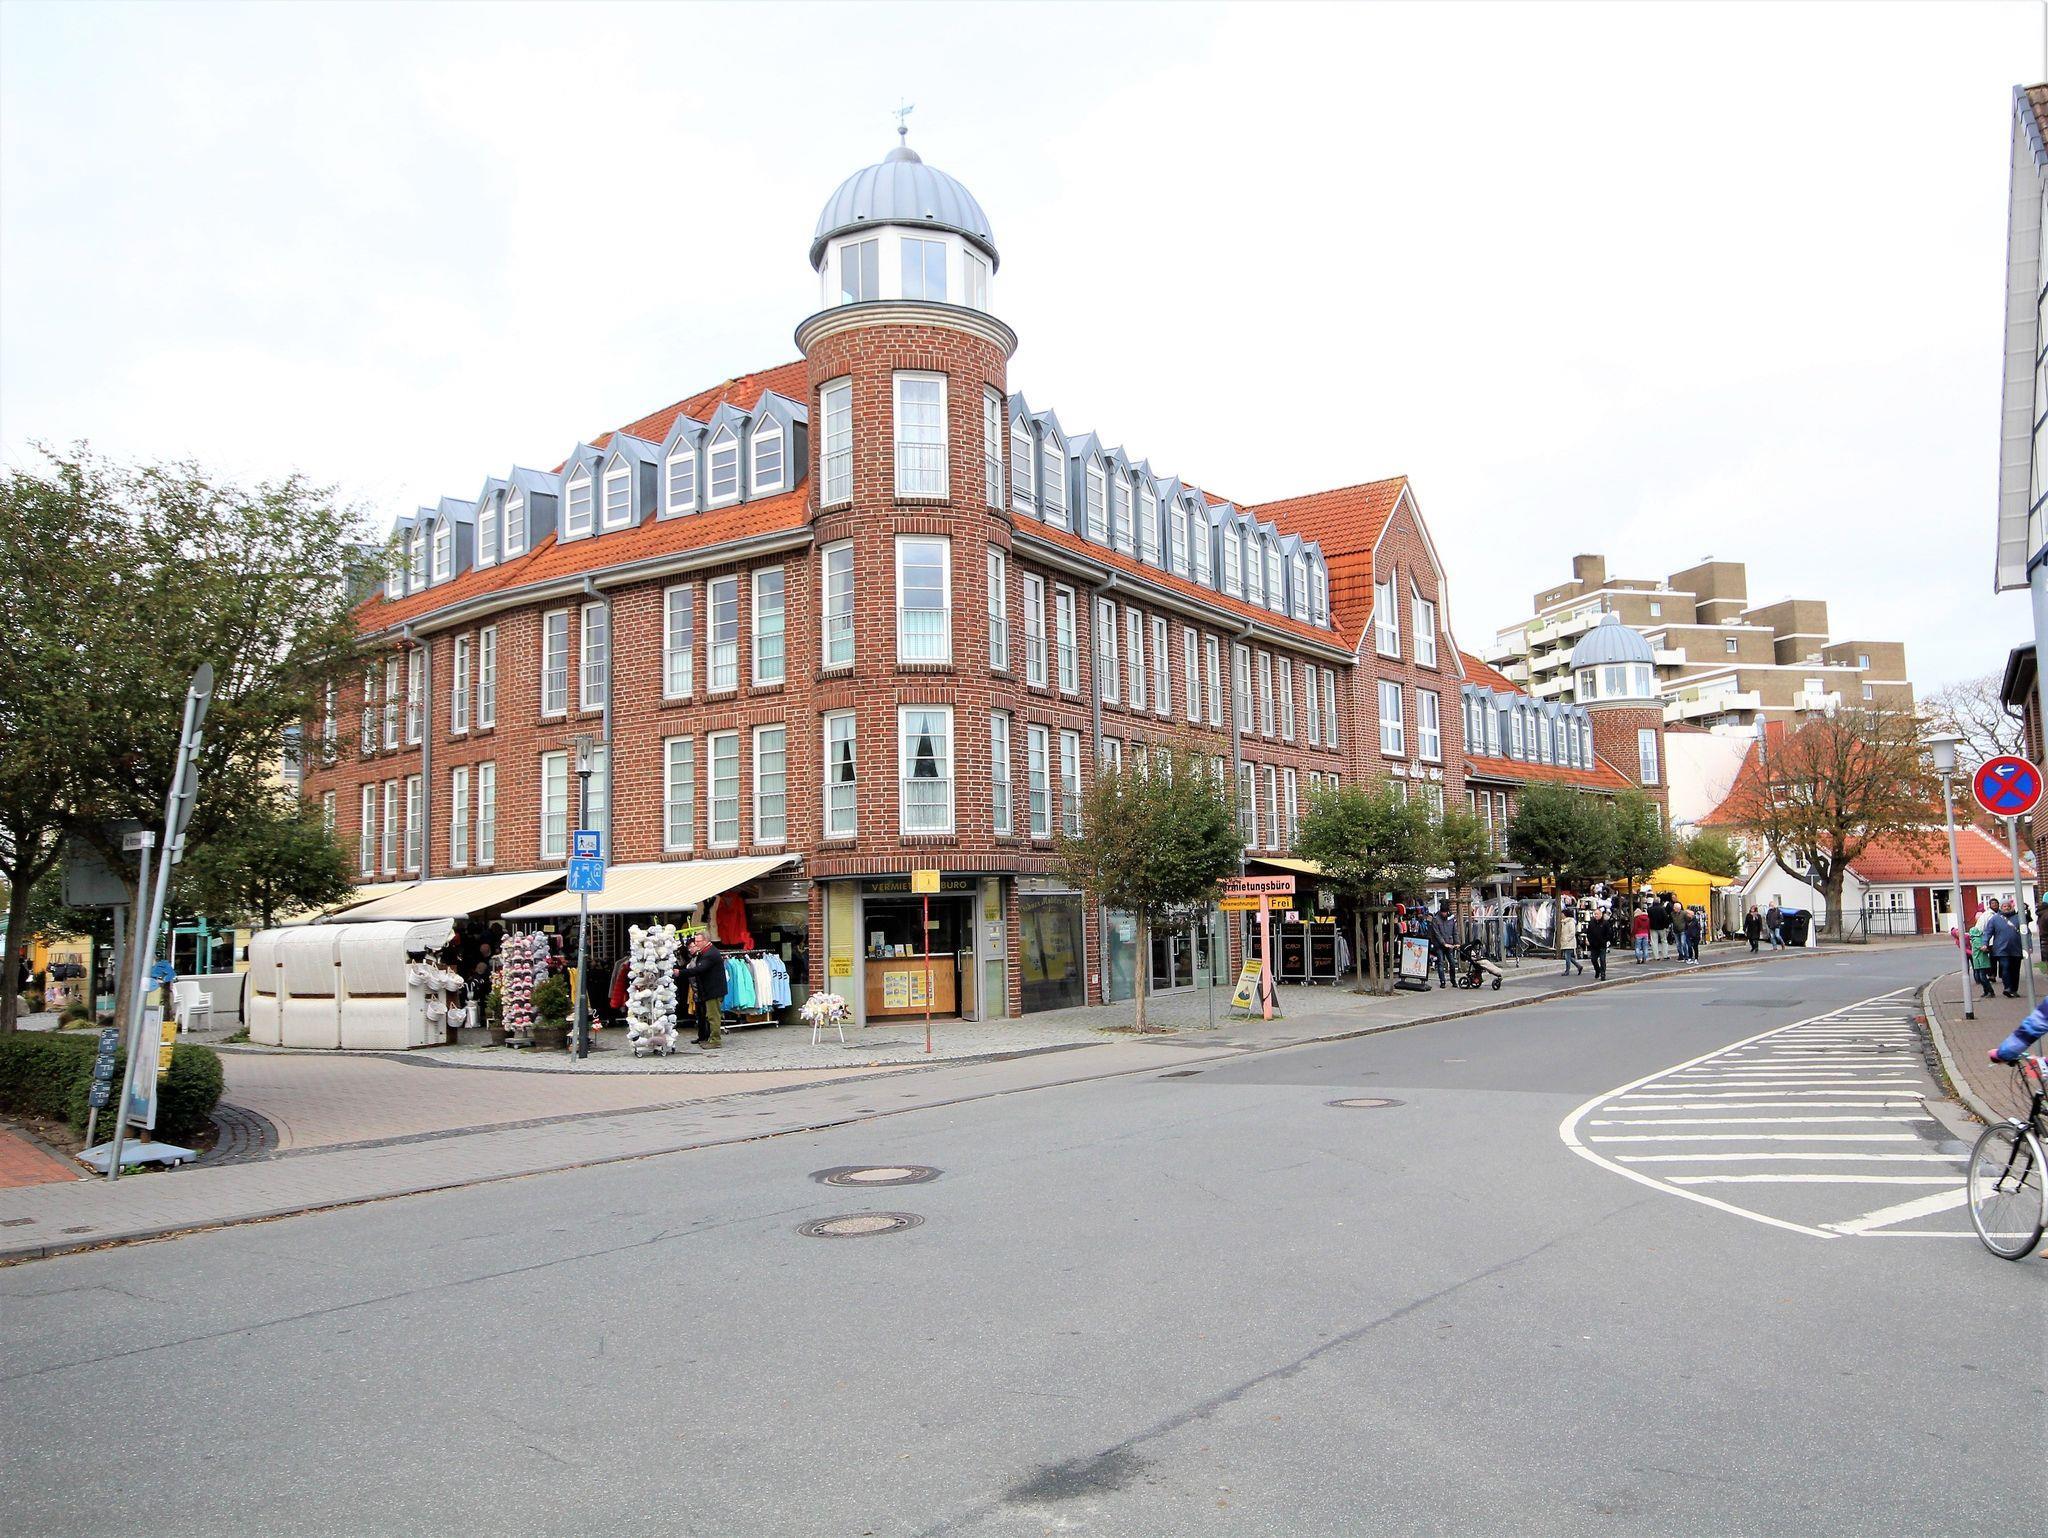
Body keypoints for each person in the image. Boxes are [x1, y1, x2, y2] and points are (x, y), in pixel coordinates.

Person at [683, 931, 729, 1047]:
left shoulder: (710, 954)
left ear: (705, 941)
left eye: (698, 941)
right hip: (709, 990)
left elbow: (699, 969)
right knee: (709, 1015)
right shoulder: (705, 952)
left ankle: (715, 1040)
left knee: (713, 1016)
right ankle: (709, 1038)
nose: (696, 943)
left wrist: (681, 972)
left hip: (713, 990)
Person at [1984, 903, 2023, 998]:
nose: (2007, 908)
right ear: (2001, 908)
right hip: (2001, 949)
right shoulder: (1994, 919)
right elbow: (1988, 932)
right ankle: (2007, 988)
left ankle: (2014, 989)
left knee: (2015, 970)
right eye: (2004, 906)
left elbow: (2026, 932)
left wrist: (2028, 946)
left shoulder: (2019, 918)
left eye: (2009, 906)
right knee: (2005, 967)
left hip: (2016, 948)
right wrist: (1985, 943)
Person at [1430, 903, 1457, 989]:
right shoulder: (1436, 919)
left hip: (1449, 943)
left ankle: (1453, 980)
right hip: (1439, 945)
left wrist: (1456, 942)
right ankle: (1442, 981)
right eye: (1443, 912)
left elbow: (1454, 931)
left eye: (1445, 912)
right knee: (1440, 963)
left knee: (1452, 963)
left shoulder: (1451, 918)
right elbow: (1437, 933)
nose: (1444, 914)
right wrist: (1443, 943)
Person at [1969, 912, 1995, 999]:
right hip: (1980, 961)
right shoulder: (1979, 939)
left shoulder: (1975, 940)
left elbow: (1982, 949)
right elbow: (1984, 949)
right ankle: (1987, 991)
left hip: (1980, 961)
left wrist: (1985, 949)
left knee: (1982, 977)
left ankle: (1989, 991)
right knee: (1982, 977)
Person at [1558, 896, 1583, 976]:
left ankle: (1567, 971)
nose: (1561, 915)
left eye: (1562, 914)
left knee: (1567, 956)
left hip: (1569, 942)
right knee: (1568, 956)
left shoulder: (1570, 922)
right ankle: (1579, 966)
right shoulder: (1564, 922)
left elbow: (1572, 932)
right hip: (1565, 941)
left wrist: (1566, 938)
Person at [1585, 906, 1611, 981]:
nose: (1596, 915)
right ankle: (1597, 970)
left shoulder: (1605, 923)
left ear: (1601, 914)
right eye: (1595, 914)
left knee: (1602, 960)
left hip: (1602, 945)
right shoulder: (1591, 923)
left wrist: (1606, 940)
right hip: (1593, 945)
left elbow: (1609, 933)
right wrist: (1588, 940)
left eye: (1597, 914)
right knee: (1593, 959)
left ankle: (1603, 974)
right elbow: (1589, 932)